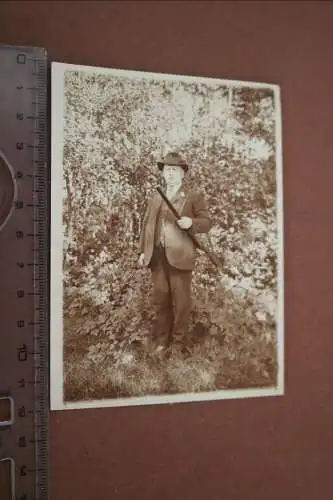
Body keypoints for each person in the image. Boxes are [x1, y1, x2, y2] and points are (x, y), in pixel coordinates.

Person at [138, 151, 211, 354]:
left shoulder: (192, 196)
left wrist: (191, 223)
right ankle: (162, 343)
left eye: (174, 170)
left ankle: (179, 346)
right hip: (157, 257)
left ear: (182, 174)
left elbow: (207, 222)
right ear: (163, 174)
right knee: (161, 300)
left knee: (181, 304)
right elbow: (147, 225)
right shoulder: (156, 196)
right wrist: (143, 251)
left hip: (180, 258)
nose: (169, 174)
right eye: (167, 170)